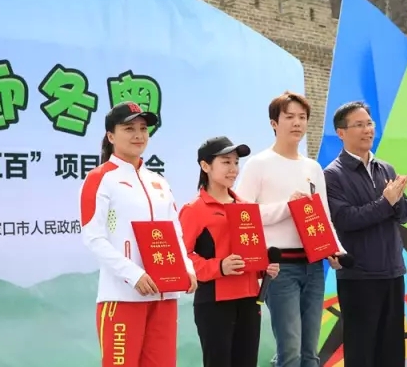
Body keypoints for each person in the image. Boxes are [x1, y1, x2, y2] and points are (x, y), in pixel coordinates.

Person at [79, 101, 198, 367]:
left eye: (143, 128)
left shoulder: (159, 182)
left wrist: (187, 268)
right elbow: (93, 237)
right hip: (123, 296)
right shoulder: (100, 178)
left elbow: (175, 233)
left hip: (165, 296)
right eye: (129, 128)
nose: (138, 135)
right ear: (111, 136)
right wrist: (133, 274)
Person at [236, 91, 347, 367]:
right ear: (274, 123)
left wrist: (336, 250)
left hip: (313, 266)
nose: (297, 123)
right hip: (279, 268)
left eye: (302, 117)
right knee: (291, 351)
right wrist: (288, 206)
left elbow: (323, 217)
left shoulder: (313, 168)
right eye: (289, 117)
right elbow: (243, 217)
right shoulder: (258, 164)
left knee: (310, 352)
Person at [323, 101, 407, 367]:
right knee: (362, 351)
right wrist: (386, 202)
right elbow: (346, 219)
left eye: (369, 124)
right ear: (341, 132)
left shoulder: (385, 169)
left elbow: (405, 215)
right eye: (359, 125)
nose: (367, 130)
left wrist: (396, 201)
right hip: (359, 276)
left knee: (391, 350)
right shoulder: (332, 175)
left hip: (392, 271)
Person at [178, 136, 281, 367]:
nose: (233, 169)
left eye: (236, 162)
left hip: (249, 300)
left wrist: (263, 267)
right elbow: (182, 258)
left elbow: (251, 251)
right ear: (205, 166)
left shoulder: (246, 207)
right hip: (214, 302)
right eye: (226, 162)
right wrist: (219, 266)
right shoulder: (194, 210)